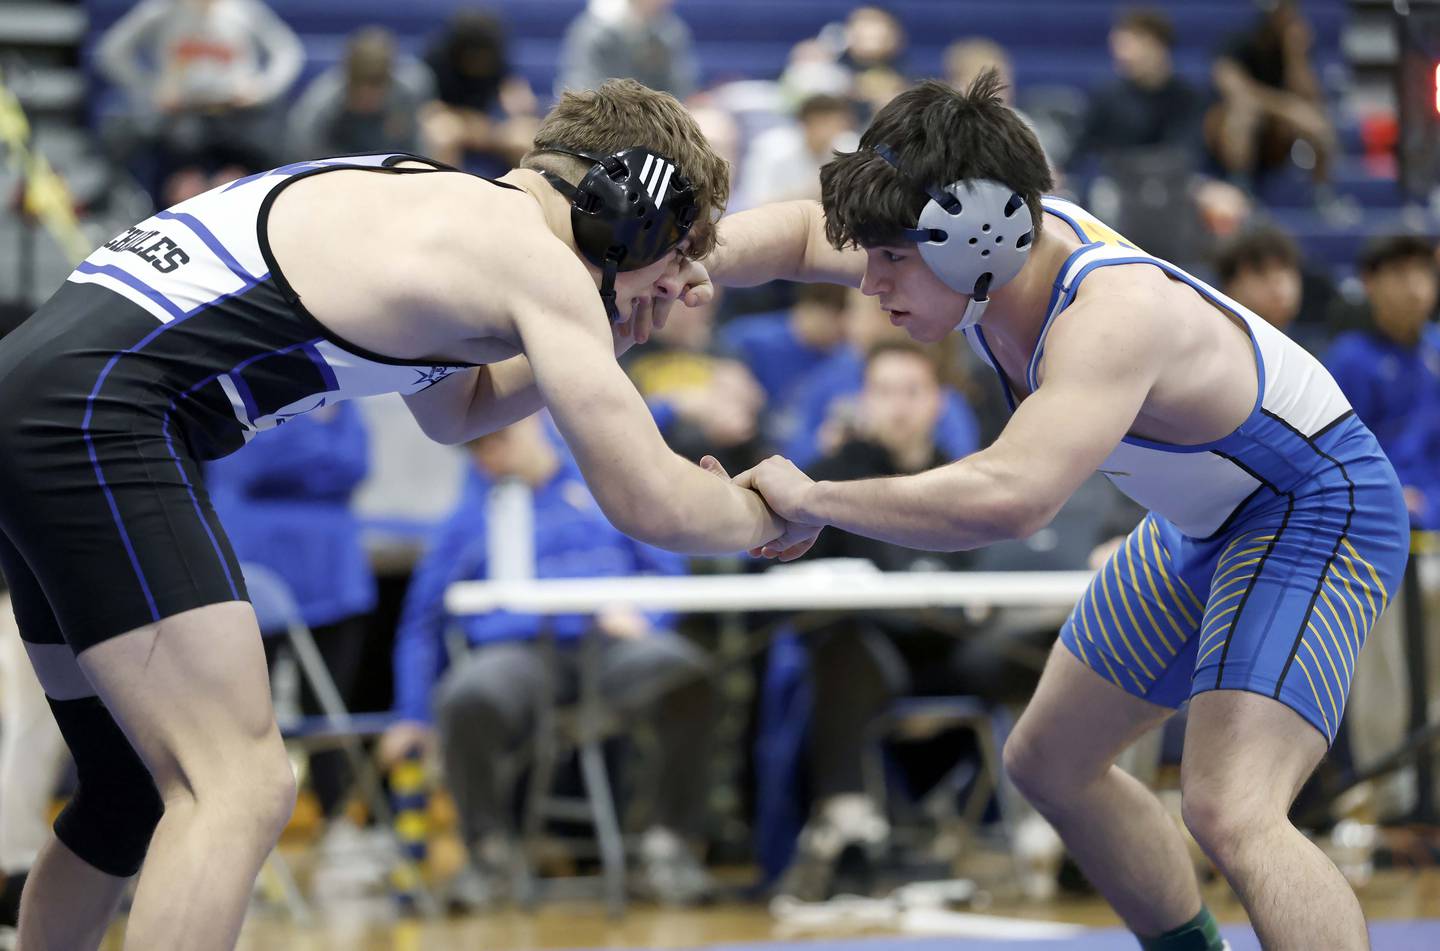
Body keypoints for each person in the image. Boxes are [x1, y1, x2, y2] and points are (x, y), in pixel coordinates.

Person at [0, 78, 791, 950]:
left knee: (126, 789)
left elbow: (456, 411)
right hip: (98, 414)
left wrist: (601, 341)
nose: (677, 287)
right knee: (239, 780)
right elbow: (649, 499)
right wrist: (767, 511)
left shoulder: (439, 209)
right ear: (627, 213)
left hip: (40, 396)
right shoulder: (532, 259)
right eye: (673, 253)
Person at [690, 73, 1408, 950]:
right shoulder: (974, 258)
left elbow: (1012, 496)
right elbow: (808, 230)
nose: (868, 285)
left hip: (1316, 507)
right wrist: (692, 255)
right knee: (1051, 763)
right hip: (1207, 522)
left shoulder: (1112, 312)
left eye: (890, 259)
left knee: (1234, 806)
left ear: (978, 233)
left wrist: (817, 500)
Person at [382, 415, 717, 907]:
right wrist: (412, 713)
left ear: (536, 422)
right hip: (517, 653)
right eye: (479, 450)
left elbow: (668, 565)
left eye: (500, 440)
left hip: (611, 645)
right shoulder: (470, 513)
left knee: (685, 675)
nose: (491, 456)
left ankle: (668, 844)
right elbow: (422, 621)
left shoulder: (604, 483)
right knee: (467, 694)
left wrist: (648, 614)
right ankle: (488, 852)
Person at [205, 403, 377, 842]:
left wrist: (299, 446)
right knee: (244, 711)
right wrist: (319, 442)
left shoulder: (343, 397)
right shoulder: (240, 389)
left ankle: (337, 818)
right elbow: (248, 466)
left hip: (333, 572)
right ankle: (235, 827)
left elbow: (357, 463)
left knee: (330, 706)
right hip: (256, 566)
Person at [96, 0, 303, 204]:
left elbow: (288, 52)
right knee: (185, 191)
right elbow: (112, 51)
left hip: (238, 119)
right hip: (183, 120)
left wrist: (261, 89)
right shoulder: (161, 10)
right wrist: (150, 89)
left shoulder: (243, 9)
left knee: (236, 188)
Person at [1323, 235, 1440, 530]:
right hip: (1379, 510)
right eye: (1400, 274)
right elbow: (1338, 454)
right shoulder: (1349, 360)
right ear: (1369, 282)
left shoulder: (1436, 350)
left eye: (1423, 273)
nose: (1415, 288)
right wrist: (1391, 493)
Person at [287, 27, 435, 160]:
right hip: (334, 170)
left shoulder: (408, 92)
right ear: (349, 80)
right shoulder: (322, 101)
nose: (368, 99)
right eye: (361, 93)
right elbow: (303, 151)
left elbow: (418, 146)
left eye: (375, 89)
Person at [557, 0, 699, 101]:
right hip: (602, 121)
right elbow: (580, 87)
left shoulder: (671, 31)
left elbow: (681, 87)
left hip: (655, 121)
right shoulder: (593, 30)